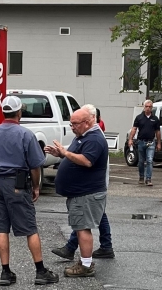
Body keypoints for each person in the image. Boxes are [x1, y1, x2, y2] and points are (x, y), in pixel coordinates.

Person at [0, 96, 60, 286]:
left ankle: (5, 272)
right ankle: (40, 271)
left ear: (3, 112)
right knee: (30, 228)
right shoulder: (26, 134)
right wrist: (35, 186)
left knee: (1, 229)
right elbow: (35, 165)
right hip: (17, 183)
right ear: (19, 113)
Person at [46, 108, 109, 277]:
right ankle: (85, 261)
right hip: (81, 193)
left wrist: (66, 153)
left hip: (86, 193)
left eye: (74, 124)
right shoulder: (83, 136)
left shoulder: (94, 138)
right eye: (71, 123)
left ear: (87, 123)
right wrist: (61, 154)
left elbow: (87, 161)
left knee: (83, 228)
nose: (71, 127)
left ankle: (86, 265)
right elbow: (75, 155)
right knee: (81, 227)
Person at [129, 100, 161, 186]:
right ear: (144, 107)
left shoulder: (155, 119)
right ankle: (141, 176)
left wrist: (158, 143)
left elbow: (157, 131)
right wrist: (130, 139)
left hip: (151, 142)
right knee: (141, 161)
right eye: (146, 106)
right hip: (141, 142)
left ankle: (148, 178)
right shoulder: (139, 117)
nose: (148, 108)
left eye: (150, 107)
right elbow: (134, 129)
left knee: (150, 160)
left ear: (152, 108)